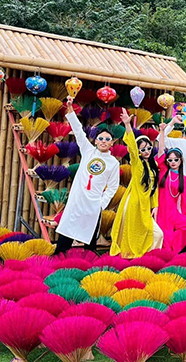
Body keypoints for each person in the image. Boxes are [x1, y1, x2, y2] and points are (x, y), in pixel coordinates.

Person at [55, 96, 120, 254]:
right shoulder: (88, 151)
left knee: (90, 242)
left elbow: (113, 187)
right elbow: (78, 132)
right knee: (66, 234)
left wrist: (102, 203)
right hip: (78, 200)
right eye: (101, 138)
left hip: (94, 204)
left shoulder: (113, 163)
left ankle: (88, 265)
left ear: (112, 143)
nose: (104, 141)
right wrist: (70, 111)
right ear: (96, 141)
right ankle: (58, 259)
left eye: (107, 139)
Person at [109, 108, 164, 257]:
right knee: (132, 233)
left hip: (145, 206)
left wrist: (155, 206)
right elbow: (132, 148)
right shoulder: (137, 164)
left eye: (148, 148)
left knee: (157, 234)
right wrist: (127, 125)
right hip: (133, 204)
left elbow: (154, 189)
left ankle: (149, 258)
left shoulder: (153, 167)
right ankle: (133, 258)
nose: (146, 151)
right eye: (143, 149)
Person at [155, 123, 186, 253]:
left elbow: (185, 199)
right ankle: (166, 254)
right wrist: (163, 131)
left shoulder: (183, 179)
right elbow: (161, 149)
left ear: (180, 161)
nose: (173, 162)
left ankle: (175, 246)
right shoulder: (163, 171)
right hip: (161, 211)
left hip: (173, 213)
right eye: (170, 160)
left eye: (176, 160)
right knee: (164, 236)